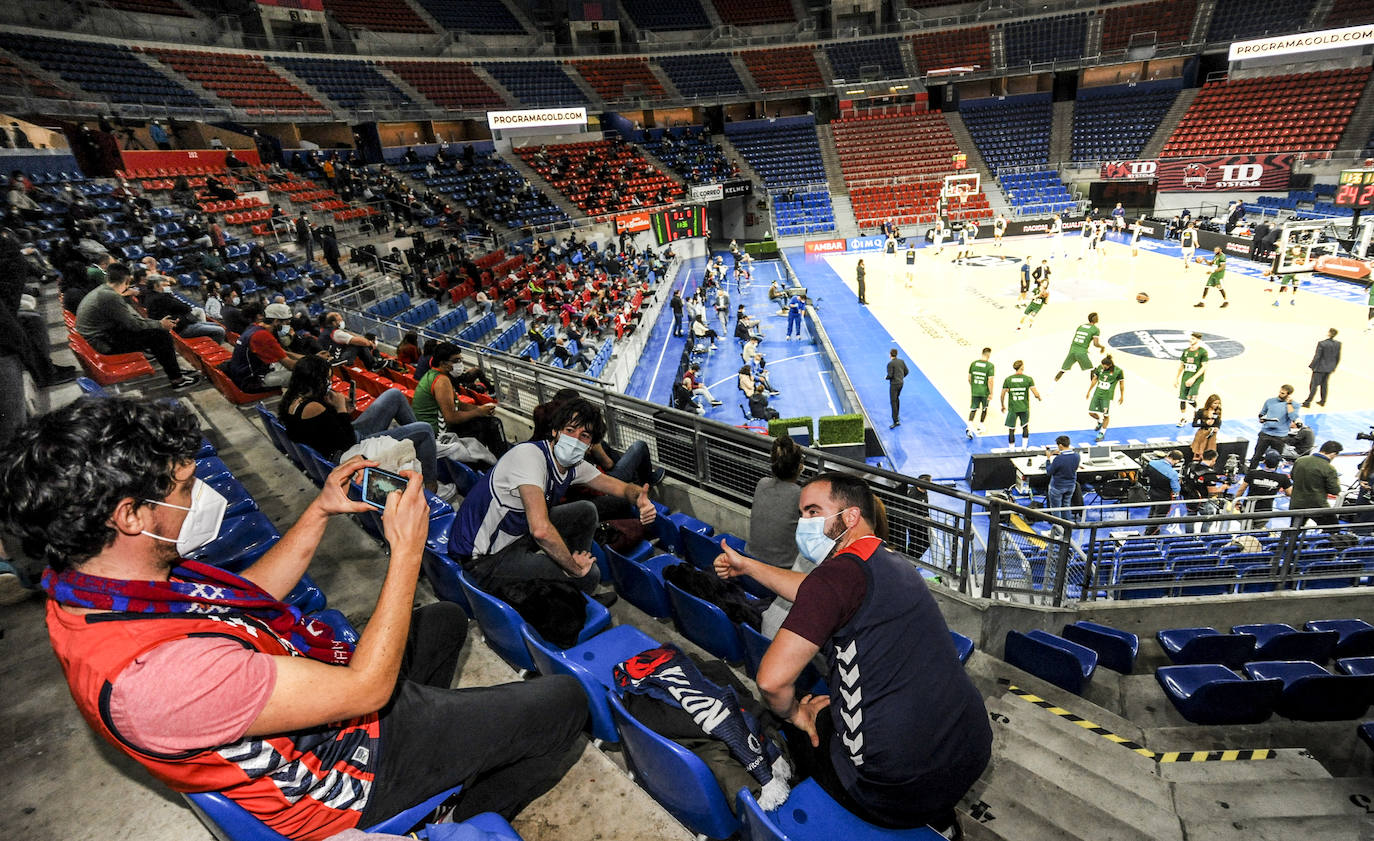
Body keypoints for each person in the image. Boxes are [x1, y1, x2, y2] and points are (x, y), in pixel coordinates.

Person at [0, 397, 586, 839]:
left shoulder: (111, 585)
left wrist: (321, 508)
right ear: (129, 516)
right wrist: (407, 551)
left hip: (321, 709)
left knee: (446, 621)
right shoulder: (154, 679)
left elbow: (250, 597)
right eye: (183, 487)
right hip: (341, 774)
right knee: (565, 703)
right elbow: (368, 688)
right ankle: (460, 811)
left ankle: (443, 750)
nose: (197, 495)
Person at [713, 472, 990, 835]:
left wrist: (796, 713)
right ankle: (939, 818)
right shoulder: (888, 560)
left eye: (813, 512)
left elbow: (771, 681)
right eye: (802, 514)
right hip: (970, 747)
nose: (804, 523)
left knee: (795, 719)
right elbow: (815, 590)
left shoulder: (837, 578)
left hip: (894, 784)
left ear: (850, 516)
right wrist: (748, 566)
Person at [451, 398, 654, 596]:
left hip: (515, 535)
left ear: (591, 445)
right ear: (555, 431)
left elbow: (622, 488)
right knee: (589, 574)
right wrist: (574, 569)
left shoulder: (574, 466)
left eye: (584, 435)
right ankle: (577, 590)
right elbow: (541, 531)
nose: (575, 439)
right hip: (482, 558)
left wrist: (640, 499)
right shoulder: (529, 457)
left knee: (585, 511)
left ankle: (573, 575)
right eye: (570, 430)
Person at [279, 355, 443, 491]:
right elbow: (347, 442)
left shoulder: (293, 398)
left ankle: (426, 446)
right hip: (348, 449)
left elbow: (328, 429)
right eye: (327, 379)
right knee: (424, 429)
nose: (330, 382)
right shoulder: (312, 407)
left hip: (344, 435)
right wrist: (341, 408)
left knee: (394, 395)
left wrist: (341, 410)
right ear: (316, 380)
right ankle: (431, 486)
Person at [73, 262, 200, 389]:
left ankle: (173, 369)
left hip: (101, 337)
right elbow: (133, 324)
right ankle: (177, 379)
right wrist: (160, 324)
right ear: (127, 281)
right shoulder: (110, 296)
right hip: (103, 344)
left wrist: (157, 324)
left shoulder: (103, 291)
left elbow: (130, 319)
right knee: (161, 336)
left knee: (154, 332)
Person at [410, 343, 506, 456]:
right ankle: (495, 460)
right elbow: (451, 418)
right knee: (493, 423)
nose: (460, 364)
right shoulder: (441, 381)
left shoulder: (435, 375)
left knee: (483, 419)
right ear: (443, 363)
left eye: (460, 360)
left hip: (435, 428)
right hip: (439, 434)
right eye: (456, 360)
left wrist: (480, 408)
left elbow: (458, 405)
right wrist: (478, 412)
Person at [746, 436, 803, 570]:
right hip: (783, 569)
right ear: (799, 467)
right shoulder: (800, 494)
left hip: (752, 560)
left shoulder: (762, 483)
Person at [223, 303, 303, 392]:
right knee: (306, 374)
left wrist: (307, 358)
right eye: (286, 322)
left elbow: (282, 352)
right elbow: (290, 365)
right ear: (276, 321)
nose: (288, 326)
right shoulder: (263, 336)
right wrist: (313, 363)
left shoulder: (254, 327)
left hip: (242, 374)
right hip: (251, 381)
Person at [1290, 440, 1343, 528]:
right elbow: (1334, 490)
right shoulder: (1329, 468)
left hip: (1297, 503)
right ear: (1333, 454)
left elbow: (1293, 476)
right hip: (1317, 505)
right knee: (1333, 528)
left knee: (1294, 530)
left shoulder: (1300, 460)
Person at [1232, 450, 1291, 527]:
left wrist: (1237, 501)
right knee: (1256, 530)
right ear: (1278, 463)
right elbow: (1289, 493)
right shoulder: (1283, 478)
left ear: (1264, 461)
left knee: (1245, 528)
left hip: (1248, 509)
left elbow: (1241, 490)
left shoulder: (1253, 473)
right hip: (1265, 512)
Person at [1249, 384, 1299, 471]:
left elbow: (1293, 417)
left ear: (1289, 394)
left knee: (1275, 458)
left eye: (1283, 393)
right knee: (1257, 455)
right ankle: (1250, 472)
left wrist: (1289, 404)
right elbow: (1262, 413)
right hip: (1265, 433)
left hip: (1280, 436)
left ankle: (1272, 474)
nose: (1280, 394)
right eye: (1280, 392)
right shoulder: (1270, 401)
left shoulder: (1294, 405)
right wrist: (1261, 418)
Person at [1181, 448, 1229, 531]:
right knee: (1208, 518)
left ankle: (1188, 536)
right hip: (1202, 500)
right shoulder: (1210, 473)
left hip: (1189, 496)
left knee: (1190, 517)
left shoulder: (1191, 465)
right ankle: (1203, 535)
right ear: (1214, 459)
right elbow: (1213, 492)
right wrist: (1223, 487)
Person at [1000, 359, 1041, 447]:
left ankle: (1011, 449)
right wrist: (1039, 397)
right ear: (1022, 367)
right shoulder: (1028, 379)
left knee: (1011, 429)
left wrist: (1002, 405)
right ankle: (1024, 447)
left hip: (1013, 408)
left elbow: (1002, 395)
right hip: (1024, 407)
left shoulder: (1008, 379)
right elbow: (1035, 393)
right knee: (1025, 427)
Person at [1054, 312, 1104, 382]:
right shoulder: (1095, 329)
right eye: (1097, 317)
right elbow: (1095, 344)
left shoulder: (1081, 326)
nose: (1098, 318)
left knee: (1063, 370)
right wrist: (1102, 347)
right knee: (1093, 370)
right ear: (1094, 319)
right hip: (1082, 351)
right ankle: (1093, 385)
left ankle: (1054, 382)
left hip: (1072, 350)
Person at [1143, 450, 1183, 535]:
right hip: (1164, 497)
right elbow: (1176, 489)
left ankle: (1149, 529)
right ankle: (1150, 533)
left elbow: (1144, 474)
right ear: (1176, 460)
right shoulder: (1173, 474)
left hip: (1152, 492)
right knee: (1159, 515)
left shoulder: (1152, 463)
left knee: (1153, 510)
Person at [1086, 354, 1124, 442]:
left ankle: (1102, 433)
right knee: (1091, 412)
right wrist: (1089, 391)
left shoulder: (1118, 371)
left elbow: (1121, 384)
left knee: (1106, 415)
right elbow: (1095, 379)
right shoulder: (1100, 368)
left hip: (1107, 397)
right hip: (1097, 394)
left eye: (1105, 366)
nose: (1103, 367)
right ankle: (1100, 421)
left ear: (1110, 365)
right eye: (1102, 365)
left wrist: (1122, 395)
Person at [1174, 331, 1209, 426]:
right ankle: (1183, 418)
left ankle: (1199, 413)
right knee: (1182, 399)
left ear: (1198, 340)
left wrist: (1193, 378)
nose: (1190, 340)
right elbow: (1181, 366)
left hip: (1196, 379)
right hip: (1186, 377)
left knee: (1190, 399)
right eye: (1190, 338)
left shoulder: (1202, 352)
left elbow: (1204, 367)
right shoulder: (1186, 351)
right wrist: (1176, 378)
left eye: (1193, 339)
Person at [1303, 327, 1340, 408]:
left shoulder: (1322, 343)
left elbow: (1317, 356)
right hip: (1329, 368)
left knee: (1314, 385)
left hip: (1320, 368)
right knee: (1324, 385)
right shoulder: (1338, 344)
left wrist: (1311, 366)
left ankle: (1308, 402)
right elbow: (1337, 357)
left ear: (1329, 333)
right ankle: (1323, 401)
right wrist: (1333, 367)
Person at [1044, 435, 1080, 519]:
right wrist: (1061, 453)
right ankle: (1066, 525)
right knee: (1066, 506)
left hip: (1058, 486)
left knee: (1056, 508)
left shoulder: (1058, 459)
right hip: (1071, 486)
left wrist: (1048, 459)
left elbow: (1049, 472)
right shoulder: (1077, 456)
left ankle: (1057, 526)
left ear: (1060, 445)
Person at [966, 347, 994, 439]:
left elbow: (969, 378)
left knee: (973, 409)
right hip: (984, 392)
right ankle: (980, 425)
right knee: (984, 408)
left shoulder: (973, 364)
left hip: (975, 390)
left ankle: (969, 427)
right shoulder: (990, 366)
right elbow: (990, 380)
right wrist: (991, 392)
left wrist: (974, 386)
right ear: (988, 354)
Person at [1190, 394, 1222, 463]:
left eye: (1218, 403)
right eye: (1215, 403)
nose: (1216, 405)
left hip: (1212, 435)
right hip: (1202, 434)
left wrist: (1217, 427)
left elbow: (1219, 422)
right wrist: (1205, 424)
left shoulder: (1218, 412)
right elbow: (1194, 424)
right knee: (1198, 454)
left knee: (1209, 454)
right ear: (1210, 402)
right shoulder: (1201, 411)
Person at [885, 348, 908, 429]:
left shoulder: (890, 364)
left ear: (890, 355)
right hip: (901, 383)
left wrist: (886, 377)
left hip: (894, 385)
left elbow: (890, 375)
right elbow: (906, 371)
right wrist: (900, 378)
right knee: (897, 398)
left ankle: (895, 421)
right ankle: (897, 415)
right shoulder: (901, 361)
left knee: (893, 401)